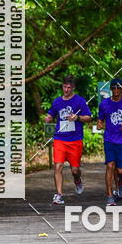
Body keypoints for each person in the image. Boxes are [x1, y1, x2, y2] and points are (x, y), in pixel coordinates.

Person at [44, 75, 92, 205]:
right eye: (64, 87)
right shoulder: (57, 102)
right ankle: (59, 195)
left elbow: (89, 118)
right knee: (58, 166)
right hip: (60, 138)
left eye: (69, 87)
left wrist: (77, 118)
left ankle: (77, 180)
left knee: (74, 170)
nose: (66, 90)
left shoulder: (79, 101)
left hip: (75, 139)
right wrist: (48, 118)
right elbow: (51, 114)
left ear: (73, 88)